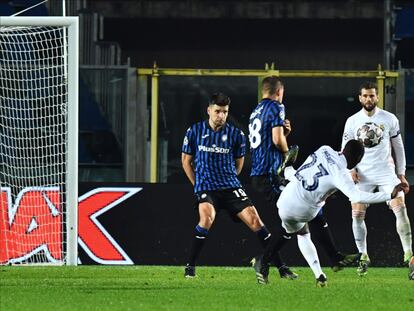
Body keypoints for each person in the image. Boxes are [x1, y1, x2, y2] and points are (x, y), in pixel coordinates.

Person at [248, 76, 356, 281]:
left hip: (261, 172)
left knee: (307, 217)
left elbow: (268, 140)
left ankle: (329, 260)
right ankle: (264, 260)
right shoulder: (277, 107)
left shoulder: (256, 111)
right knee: (298, 217)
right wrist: (287, 155)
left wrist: (283, 136)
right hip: (271, 174)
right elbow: (276, 139)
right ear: (279, 92)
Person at [254, 140, 403, 287]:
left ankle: (266, 261)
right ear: (358, 159)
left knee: (291, 229)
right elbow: (357, 197)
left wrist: (288, 170)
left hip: (286, 197)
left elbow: (303, 173)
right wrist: (389, 195)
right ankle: (333, 257)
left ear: (343, 149)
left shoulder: (324, 149)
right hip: (303, 210)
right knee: (314, 212)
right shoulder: (341, 173)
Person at [182, 92, 274, 278]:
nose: (221, 115)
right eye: (217, 111)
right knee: (206, 219)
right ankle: (190, 266)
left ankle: (281, 266)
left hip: (230, 186)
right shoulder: (195, 131)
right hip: (206, 187)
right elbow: (186, 161)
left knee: (256, 222)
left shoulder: (236, 135)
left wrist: (227, 178)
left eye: (224, 112)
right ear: (209, 110)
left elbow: (238, 166)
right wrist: (197, 184)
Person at [342, 81, 413, 280]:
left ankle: (408, 254)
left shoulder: (389, 119)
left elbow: (398, 147)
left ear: (377, 97)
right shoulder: (352, 121)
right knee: (357, 214)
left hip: (385, 172)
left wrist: (401, 174)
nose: (369, 99)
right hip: (362, 174)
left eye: (372, 95)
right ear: (360, 98)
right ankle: (363, 255)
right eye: (365, 96)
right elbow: (345, 147)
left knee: (400, 207)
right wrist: (351, 169)